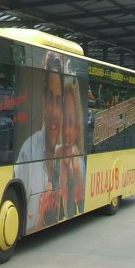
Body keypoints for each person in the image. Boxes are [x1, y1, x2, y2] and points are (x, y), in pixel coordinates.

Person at [14, 51, 63, 232]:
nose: (54, 112)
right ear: (43, 100)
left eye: (59, 101)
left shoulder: (68, 154)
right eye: (50, 98)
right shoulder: (28, 152)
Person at [57, 75, 86, 219]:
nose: (67, 131)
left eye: (72, 123)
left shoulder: (79, 163)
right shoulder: (50, 160)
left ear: (77, 127)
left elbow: (82, 205)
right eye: (64, 121)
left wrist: (77, 175)